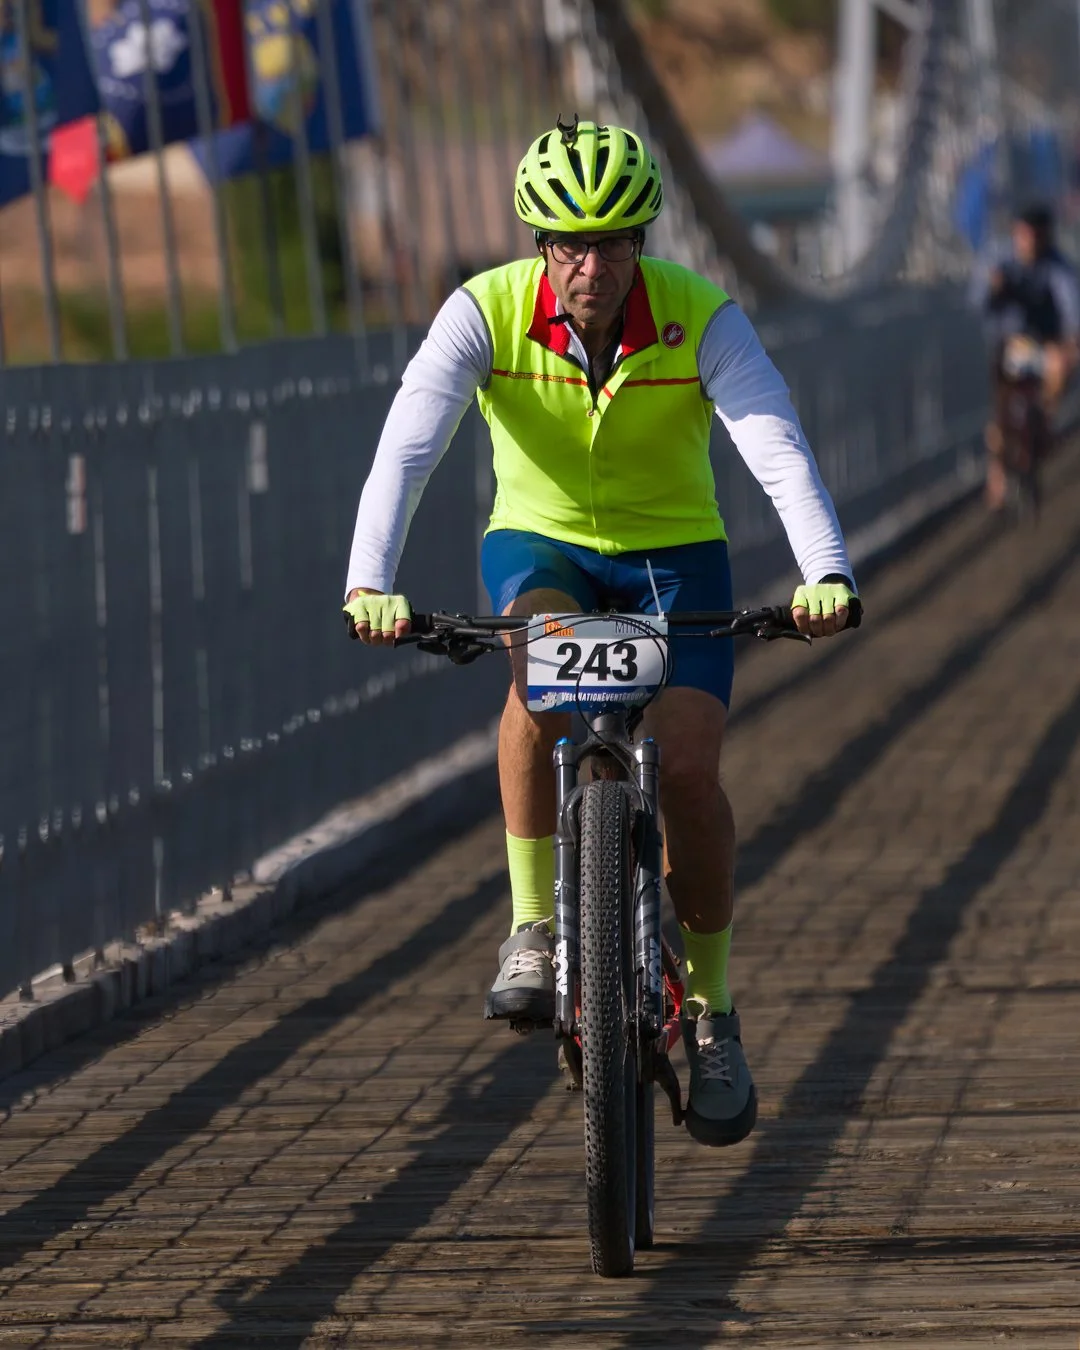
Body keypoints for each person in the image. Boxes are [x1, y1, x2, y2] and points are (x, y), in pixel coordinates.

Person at [343, 118, 859, 1150]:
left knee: (691, 774)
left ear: (642, 241)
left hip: (675, 556)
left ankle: (712, 1012)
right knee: (537, 688)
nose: (591, 267)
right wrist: (370, 582)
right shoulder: (482, 313)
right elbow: (408, 447)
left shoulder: (702, 318)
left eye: (613, 243)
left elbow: (774, 445)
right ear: (539, 245)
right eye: (569, 246)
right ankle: (534, 926)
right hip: (540, 546)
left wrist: (827, 571)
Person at [976, 203, 1080, 509]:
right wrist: (993, 289)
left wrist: (1071, 341)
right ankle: (997, 474)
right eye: (1024, 235)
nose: (1029, 243)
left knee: (1061, 363)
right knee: (1000, 419)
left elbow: (1072, 307)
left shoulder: (1057, 266)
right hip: (1007, 350)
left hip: (1045, 349)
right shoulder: (998, 260)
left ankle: (1043, 420)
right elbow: (978, 301)